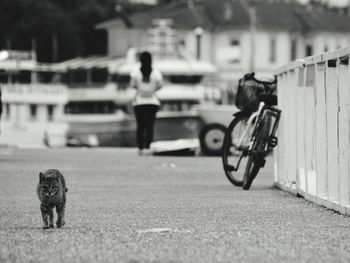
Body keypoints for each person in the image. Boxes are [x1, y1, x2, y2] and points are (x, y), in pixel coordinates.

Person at [130, 51, 163, 155]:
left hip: (139, 101)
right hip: (152, 101)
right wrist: (152, 90)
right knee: (150, 126)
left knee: (140, 126)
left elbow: (132, 85)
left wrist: (140, 89)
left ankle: (140, 148)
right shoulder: (156, 71)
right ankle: (147, 147)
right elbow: (160, 85)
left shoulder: (135, 71)